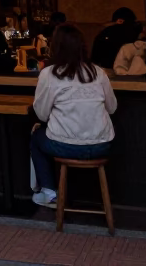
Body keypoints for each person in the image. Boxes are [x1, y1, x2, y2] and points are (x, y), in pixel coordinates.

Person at [30, 24, 118, 208]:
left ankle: (49, 192)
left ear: (55, 46)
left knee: (36, 137)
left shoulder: (49, 74)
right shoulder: (98, 72)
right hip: (102, 145)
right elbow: (112, 108)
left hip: (63, 146)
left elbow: (41, 114)